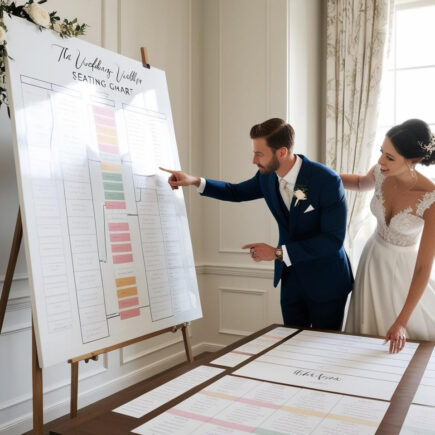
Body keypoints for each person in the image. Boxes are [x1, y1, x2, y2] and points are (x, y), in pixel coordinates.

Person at [160, 118, 353, 330]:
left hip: (326, 281)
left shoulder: (326, 180)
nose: (254, 160)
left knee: (324, 350)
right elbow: (235, 192)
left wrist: (277, 253)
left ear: (281, 152)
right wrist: (195, 181)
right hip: (291, 280)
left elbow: (332, 240)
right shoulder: (267, 178)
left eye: (259, 154)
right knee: (290, 345)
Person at [343, 119, 435, 353]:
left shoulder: (430, 198)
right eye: (382, 152)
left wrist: (402, 321)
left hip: (403, 273)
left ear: (414, 160)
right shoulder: (381, 172)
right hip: (372, 260)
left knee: (403, 344)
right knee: (364, 336)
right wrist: (322, 175)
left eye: (390, 157)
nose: (381, 161)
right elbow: (361, 182)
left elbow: (424, 267)